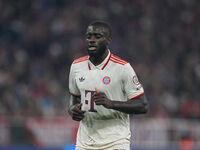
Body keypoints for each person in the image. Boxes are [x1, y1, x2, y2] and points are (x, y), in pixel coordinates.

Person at [68, 20, 148, 150]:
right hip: (85, 142)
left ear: (108, 40)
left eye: (97, 36)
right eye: (89, 36)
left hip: (115, 141)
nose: (92, 40)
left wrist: (111, 103)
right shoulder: (76, 66)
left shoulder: (123, 68)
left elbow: (143, 105)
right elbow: (74, 98)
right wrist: (72, 110)